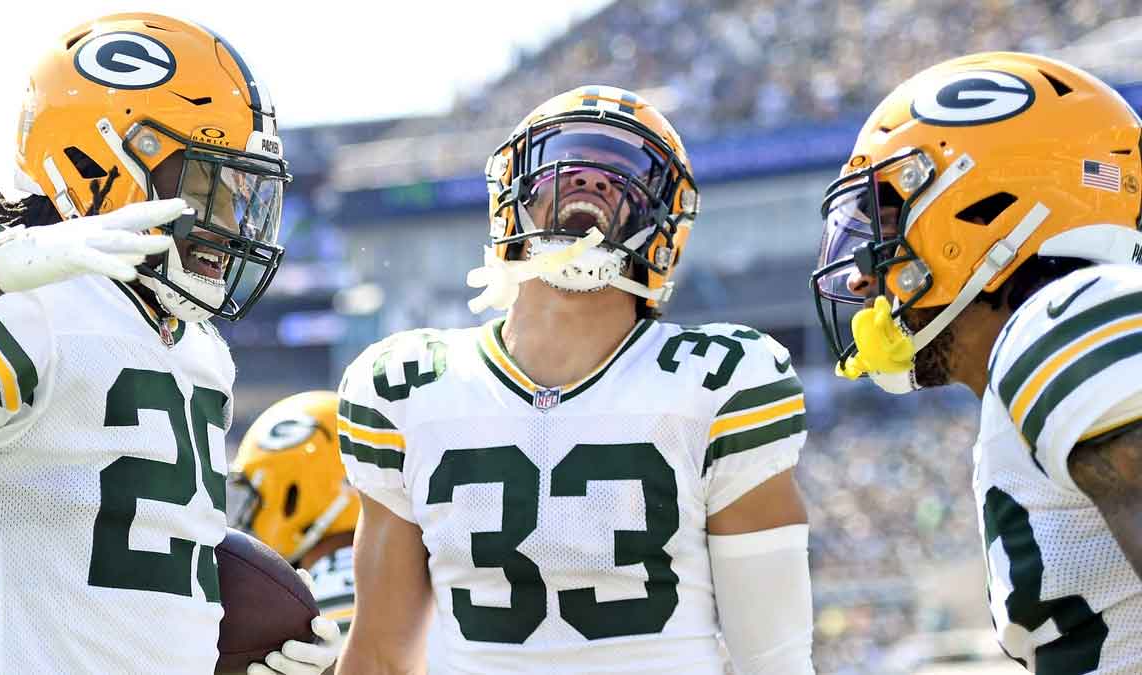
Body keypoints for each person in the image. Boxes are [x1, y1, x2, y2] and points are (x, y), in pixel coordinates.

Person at [335, 86, 815, 674]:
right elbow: (382, 657)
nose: (590, 180)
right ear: (510, 195)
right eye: (564, 164)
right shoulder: (406, 388)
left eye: (621, 175)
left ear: (664, 223)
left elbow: (774, 660)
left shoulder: (721, 382)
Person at [0, 13, 339, 674]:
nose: (231, 222)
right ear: (99, 161)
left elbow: (131, 574)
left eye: (241, 193)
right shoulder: (31, 299)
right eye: (206, 185)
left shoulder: (199, 348)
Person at [811, 52, 1142, 673]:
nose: (860, 278)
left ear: (985, 211)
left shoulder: (1068, 320)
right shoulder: (1045, 352)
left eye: (887, 223)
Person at [231, 391, 362, 631]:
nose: (250, 512)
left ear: (292, 496)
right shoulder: (405, 568)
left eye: (257, 496)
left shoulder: (315, 594)